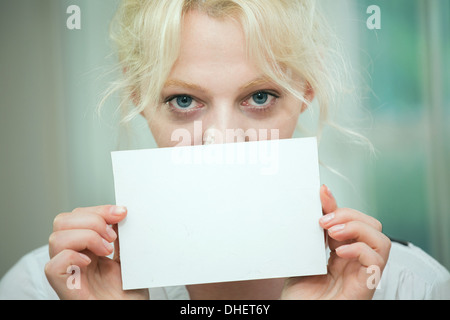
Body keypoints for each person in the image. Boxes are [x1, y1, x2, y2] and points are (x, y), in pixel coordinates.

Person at [1, 0, 449, 300]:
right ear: (139, 96)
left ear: (305, 92)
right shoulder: (45, 286)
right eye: (183, 101)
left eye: (259, 97)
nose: (222, 139)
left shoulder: (407, 285)